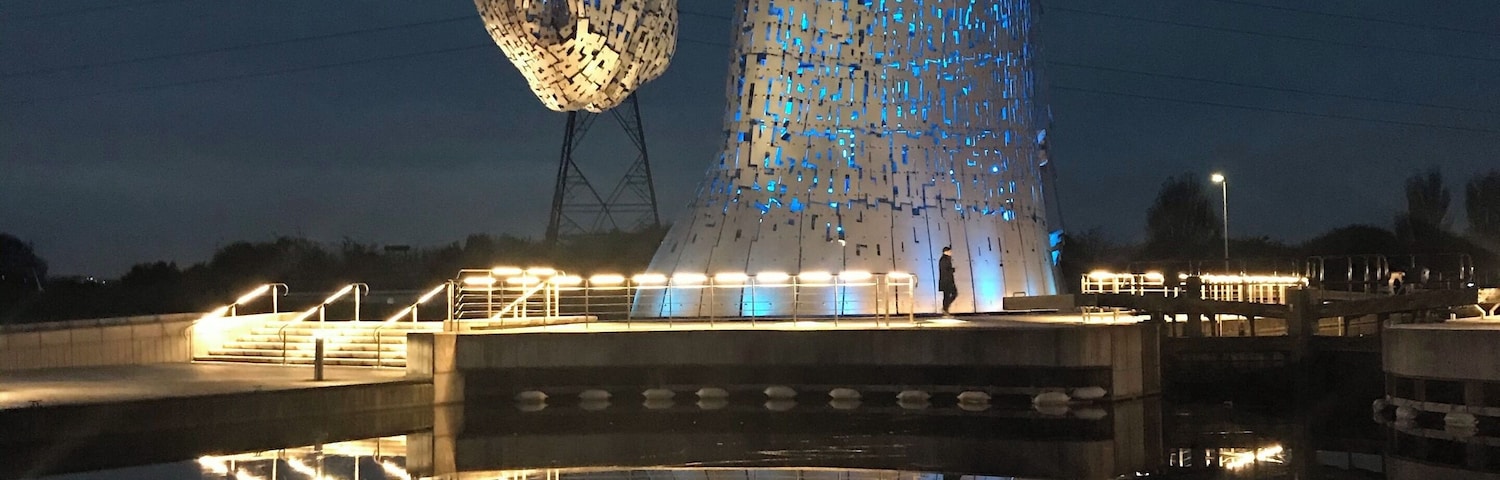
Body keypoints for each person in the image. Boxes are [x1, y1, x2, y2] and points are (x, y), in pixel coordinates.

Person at [938, 246, 958, 315]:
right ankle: (945, 308)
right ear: (946, 252)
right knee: (953, 293)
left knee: (946, 296)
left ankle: (945, 309)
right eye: (950, 251)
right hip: (947, 281)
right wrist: (953, 270)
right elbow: (945, 270)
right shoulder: (944, 260)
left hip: (946, 281)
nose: (951, 252)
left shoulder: (944, 259)